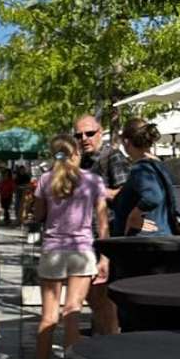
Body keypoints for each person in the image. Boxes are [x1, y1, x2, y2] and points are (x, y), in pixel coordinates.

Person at [30, 135, 110, 359]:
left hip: (53, 250)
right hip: (82, 250)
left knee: (48, 316)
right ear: (76, 153)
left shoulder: (45, 180)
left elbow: (38, 215)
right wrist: (105, 257)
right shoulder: (93, 181)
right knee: (73, 312)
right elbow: (102, 223)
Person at [74, 114, 127, 335]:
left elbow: (125, 194)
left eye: (89, 133)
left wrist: (97, 191)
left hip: (106, 238)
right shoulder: (81, 161)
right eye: (78, 135)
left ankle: (111, 342)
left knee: (103, 299)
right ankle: (101, 339)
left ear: (100, 132)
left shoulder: (112, 156)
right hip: (84, 238)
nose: (84, 139)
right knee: (93, 299)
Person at [113, 118, 175, 236]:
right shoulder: (158, 165)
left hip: (146, 240)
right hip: (160, 235)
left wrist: (134, 216)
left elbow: (153, 196)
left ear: (126, 141)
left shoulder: (142, 168)